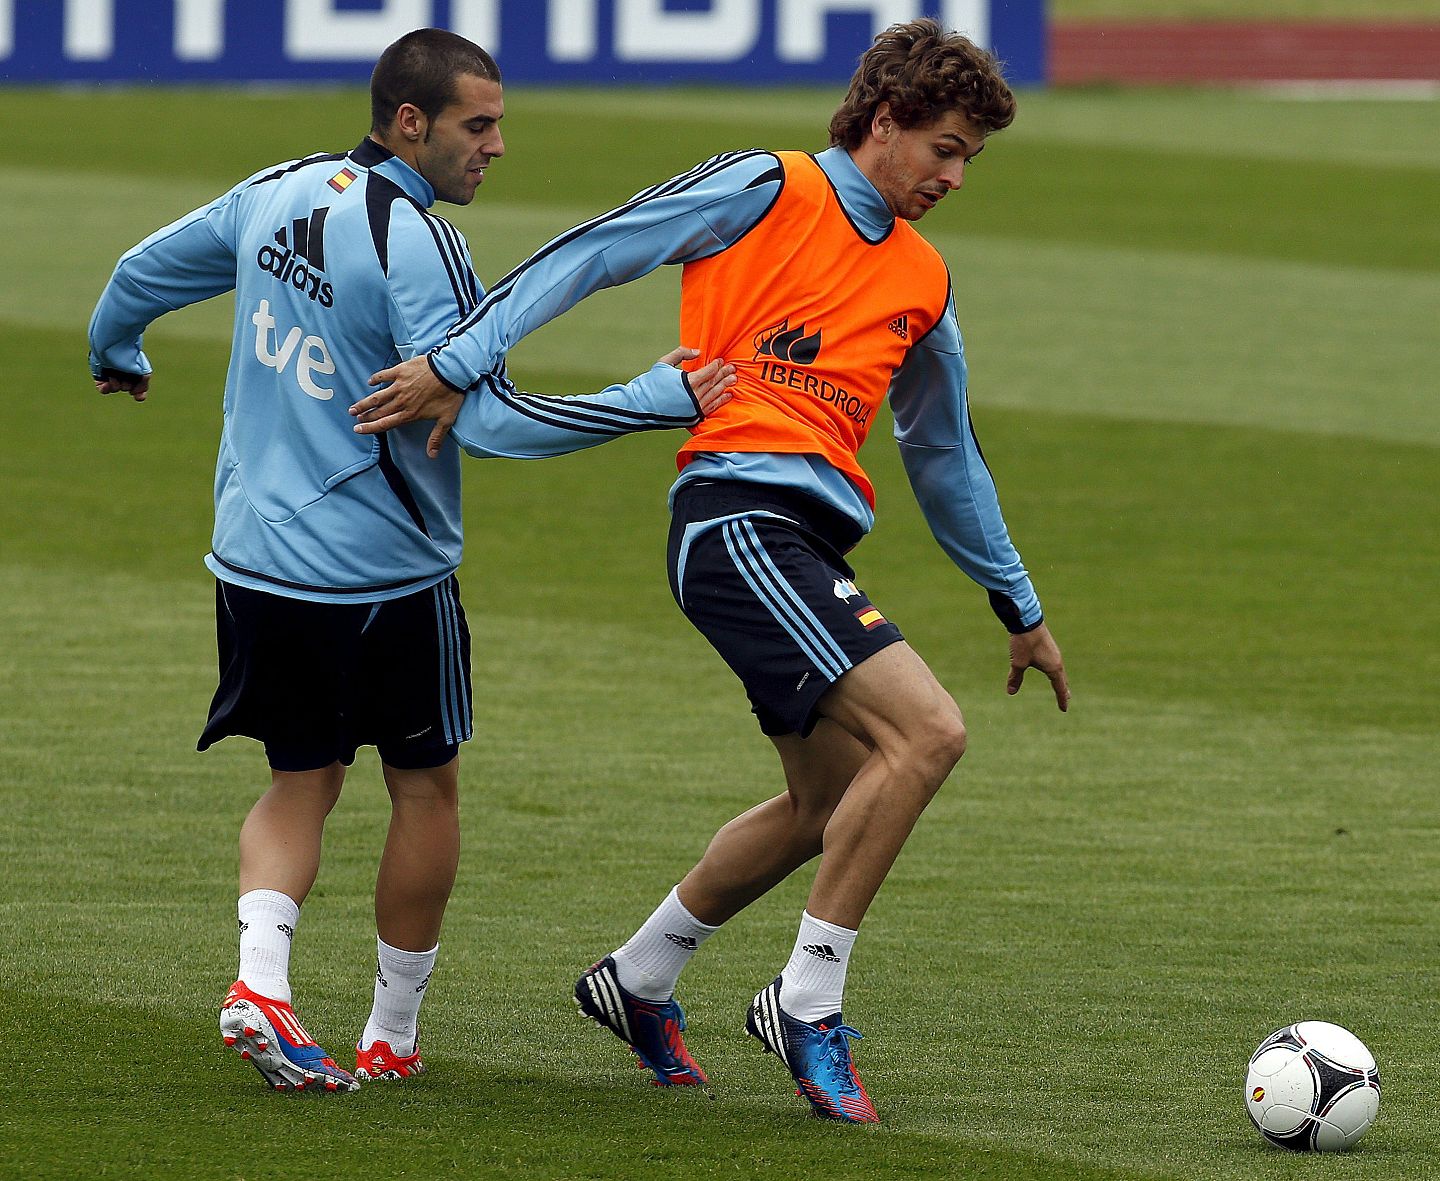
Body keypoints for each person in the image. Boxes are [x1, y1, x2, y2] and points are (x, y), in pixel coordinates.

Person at [354, 18, 1068, 1122]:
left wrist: (1016, 601)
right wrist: (460, 359)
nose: (955, 175)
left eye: (970, 155)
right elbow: (599, 248)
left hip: (803, 540)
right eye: (943, 145)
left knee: (826, 799)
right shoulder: (764, 185)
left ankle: (637, 975)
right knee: (928, 733)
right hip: (736, 514)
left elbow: (944, 453)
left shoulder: (924, 280)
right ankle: (807, 1001)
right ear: (882, 119)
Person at [87, 28, 735, 1095]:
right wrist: (652, 399)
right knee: (424, 784)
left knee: (299, 779)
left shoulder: (279, 188)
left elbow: (140, 272)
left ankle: (262, 984)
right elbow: (482, 422)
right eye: (477, 126)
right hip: (382, 574)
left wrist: (119, 350)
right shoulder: (415, 241)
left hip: (254, 560)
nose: (496, 148)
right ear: (410, 123)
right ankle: (391, 1029)